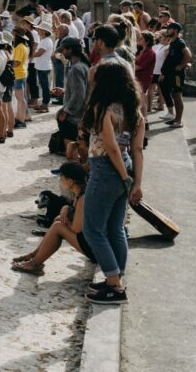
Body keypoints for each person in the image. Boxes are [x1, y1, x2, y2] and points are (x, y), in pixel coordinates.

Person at [81, 64, 146, 305]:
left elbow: (111, 147)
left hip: (107, 170)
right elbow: (137, 150)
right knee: (116, 228)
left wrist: (123, 177)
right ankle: (116, 276)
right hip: (126, 166)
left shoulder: (103, 109)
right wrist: (136, 182)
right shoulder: (134, 111)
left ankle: (114, 286)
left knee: (93, 229)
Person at [11, 162, 94, 275]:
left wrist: (63, 219)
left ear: (70, 181)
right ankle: (34, 256)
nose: (60, 181)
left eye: (61, 178)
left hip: (94, 247)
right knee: (57, 222)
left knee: (58, 226)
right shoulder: (80, 193)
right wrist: (66, 208)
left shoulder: (83, 197)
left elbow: (76, 228)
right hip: (90, 240)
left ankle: (34, 264)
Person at [51, 38, 88, 163]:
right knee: (81, 146)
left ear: (70, 50)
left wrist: (66, 111)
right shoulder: (83, 66)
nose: (62, 53)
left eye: (64, 50)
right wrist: (65, 90)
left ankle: (74, 173)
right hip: (81, 114)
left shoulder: (77, 68)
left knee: (72, 148)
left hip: (74, 116)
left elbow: (79, 95)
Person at [159, 21, 190, 128]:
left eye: (169, 29)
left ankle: (179, 121)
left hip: (177, 75)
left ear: (175, 30)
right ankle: (175, 118)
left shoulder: (180, 42)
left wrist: (181, 65)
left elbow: (188, 54)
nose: (167, 31)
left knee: (177, 95)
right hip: (170, 74)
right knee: (173, 94)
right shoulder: (173, 42)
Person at [11, 27, 30, 131]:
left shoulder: (20, 47)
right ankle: (20, 118)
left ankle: (21, 120)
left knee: (20, 99)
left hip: (18, 74)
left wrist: (8, 66)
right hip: (20, 73)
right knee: (20, 99)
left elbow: (17, 62)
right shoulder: (22, 46)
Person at [33, 21, 54, 113]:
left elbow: (39, 53)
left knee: (45, 87)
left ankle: (45, 105)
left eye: (40, 29)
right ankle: (44, 104)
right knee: (44, 86)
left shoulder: (46, 41)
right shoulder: (44, 40)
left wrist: (28, 54)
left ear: (44, 31)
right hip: (42, 66)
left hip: (44, 67)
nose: (38, 30)